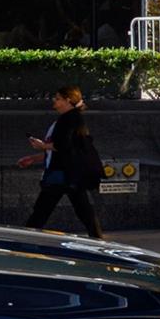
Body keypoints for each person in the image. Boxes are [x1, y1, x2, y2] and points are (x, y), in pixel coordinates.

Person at [20, 86, 104, 239]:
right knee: (83, 210)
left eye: (58, 98)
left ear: (68, 100)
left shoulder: (70, 118)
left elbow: (62, 145)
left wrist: (42, 146)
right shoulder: (71, 118)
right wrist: (35, 157)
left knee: (42, 210)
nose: (55, 101)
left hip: (63, 174)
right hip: (69, 174)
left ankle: (26, 240)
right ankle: (98, 239)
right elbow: (67, 148)